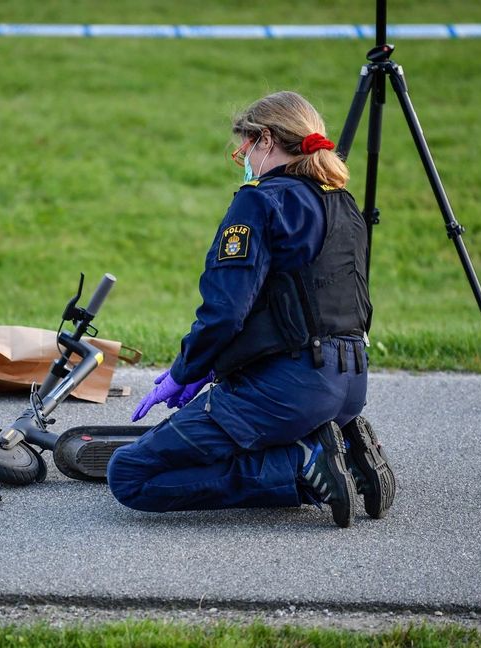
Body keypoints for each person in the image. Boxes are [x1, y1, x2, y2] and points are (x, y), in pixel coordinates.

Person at [105, 91, 395, 527]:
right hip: (351, 385)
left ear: (265, 140)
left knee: (129, 474)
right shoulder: (343, 203)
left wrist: (186, 371)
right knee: (226, 438)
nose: (242, 158)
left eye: (242, 148)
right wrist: (211, 370)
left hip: (289, 391)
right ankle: (343, 452)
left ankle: (303, 464)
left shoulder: (259, 200)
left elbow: (225, 312)